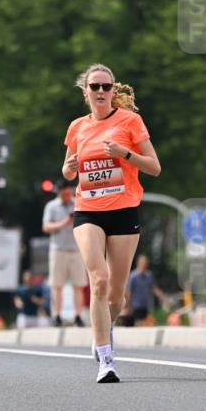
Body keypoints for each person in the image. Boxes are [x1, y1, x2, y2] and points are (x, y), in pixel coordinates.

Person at [62, 64, 161, 382]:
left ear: (114, 91)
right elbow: (68, 172)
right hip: (88, 211)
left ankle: (103, 327)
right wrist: (68, 167)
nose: (101, 92)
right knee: (99, 280)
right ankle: (106, 359)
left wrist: (125, 154)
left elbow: (155, 167)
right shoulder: (77, 127)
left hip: (124, 211)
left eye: (107, 87)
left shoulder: (131, 122)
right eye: (95, 87)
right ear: (85, 91)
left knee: (116, 295)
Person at [42, 180, 87, 327]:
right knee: (57, 285)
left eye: (69, 193)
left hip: (76, 249)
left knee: (78, 285)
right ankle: (57, 315)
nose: (67, 196)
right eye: (64, 194)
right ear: (59, 193)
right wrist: (64, 222)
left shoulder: (77, 203)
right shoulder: (52, 206)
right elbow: (46, 226)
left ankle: (78, 315)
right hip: (58, 249)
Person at [121, 253, 166, 325]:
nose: (144, 265)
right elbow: (129, 292)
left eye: (146, 263)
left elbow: (154, 288)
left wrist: (163, 297)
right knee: (137, 324)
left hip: (144, 306)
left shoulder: (149, 276)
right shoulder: (133, 276)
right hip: (135, 306)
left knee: (144, 324)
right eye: (143, 263)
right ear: (139, 263)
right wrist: (127, 306)